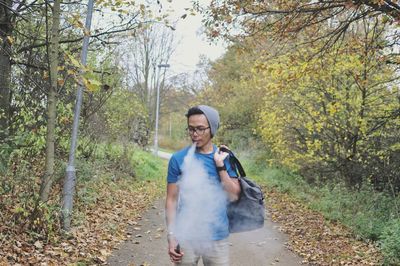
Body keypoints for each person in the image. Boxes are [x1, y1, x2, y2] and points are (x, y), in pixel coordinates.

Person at [165, 105, 241, 265]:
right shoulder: (177, 159)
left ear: (212, 129)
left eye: (200, 129)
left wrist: (220, 166)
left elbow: (234, 195)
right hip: (186, 235)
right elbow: (171, 200)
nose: (194, 134)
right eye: (191, 129)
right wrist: (171, 236)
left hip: (217, 237)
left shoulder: (225, 157)